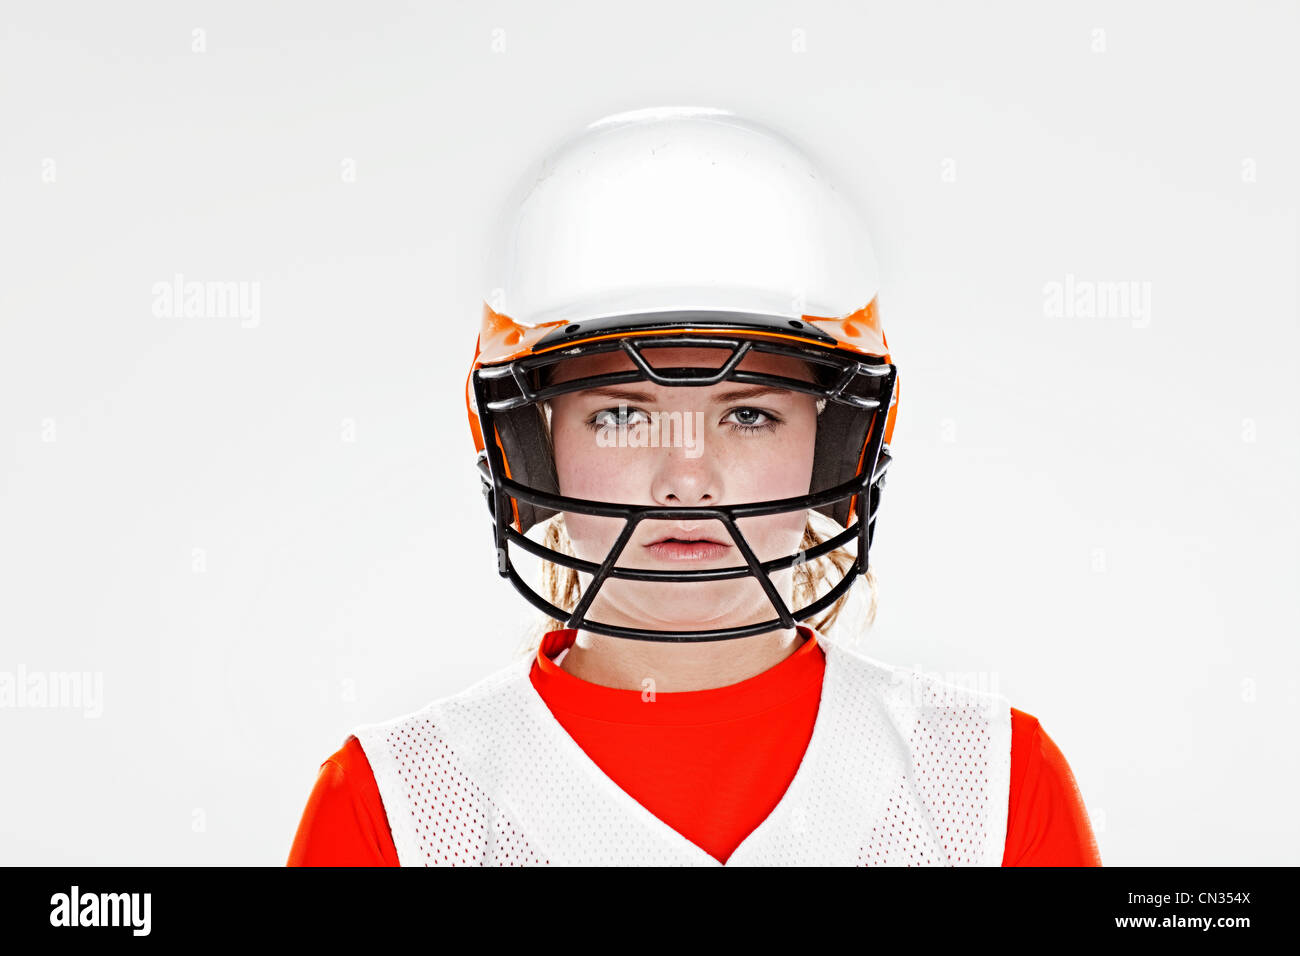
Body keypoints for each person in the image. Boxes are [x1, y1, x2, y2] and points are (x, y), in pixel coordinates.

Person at [287, 105, 1102, 866]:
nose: (687, 477)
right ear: (530, 450)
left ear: (838, 448)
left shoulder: (992, 789)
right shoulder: (390, 811)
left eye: (748, 415)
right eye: (621, 416)